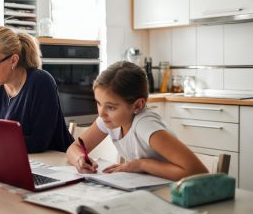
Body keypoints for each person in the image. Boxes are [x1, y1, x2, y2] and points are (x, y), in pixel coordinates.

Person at [66, 61, 207, 181]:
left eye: (111, 107)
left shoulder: (145, 125)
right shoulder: (108, 119)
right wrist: (80, 159)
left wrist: (141, 165)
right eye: (99, 103)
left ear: (137, 105)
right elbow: (74, 148)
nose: (101, 113)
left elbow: (198, 172)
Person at [0, 26, 74, 153]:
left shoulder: (41, 82)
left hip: (57, 163)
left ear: (13, 60)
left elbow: (40, 142)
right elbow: (0, 132)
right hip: (17, 159)